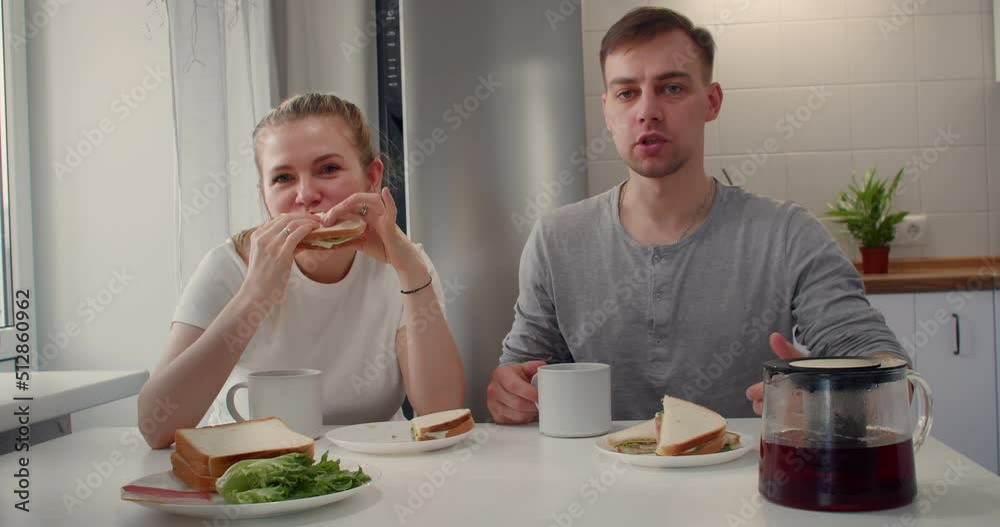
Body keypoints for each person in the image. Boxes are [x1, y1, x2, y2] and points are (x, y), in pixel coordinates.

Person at [486, 7, 908, 423]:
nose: (647, 111)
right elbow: (522, 371)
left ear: (712, 101)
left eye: (671, 88)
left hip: (749, 467)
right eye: (627, 93)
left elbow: (890, 377)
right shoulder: (557, 239)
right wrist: (511, 394)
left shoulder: (785, 234)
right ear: (608, 111)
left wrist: (829, 397)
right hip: (593, 466)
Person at [139, 93, 465, 448]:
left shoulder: (404, 266)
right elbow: (157, 427)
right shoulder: (228, 267)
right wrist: (254, 294)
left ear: (372, 177)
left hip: (374, 466)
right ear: (264, 195)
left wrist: (412, 272)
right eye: (283, 178)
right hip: (253, 465)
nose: (306, 195)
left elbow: (441, 413)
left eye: (328, 169)